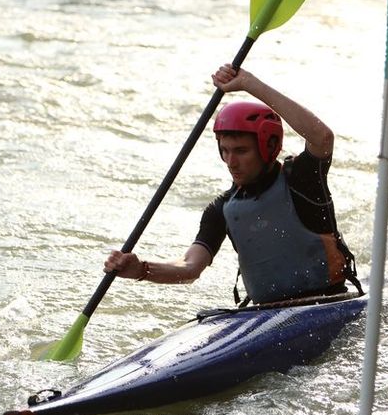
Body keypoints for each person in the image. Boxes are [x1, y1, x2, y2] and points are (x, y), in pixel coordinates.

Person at [104, 63, 360, 305]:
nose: (230, 161)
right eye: (224, 150)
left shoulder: (300, 180)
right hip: (264, 313)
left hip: (328, 301)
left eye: (240, 151)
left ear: (268, 147)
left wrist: (249, 83)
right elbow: (190, 268)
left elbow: (322, 137)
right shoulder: (222, 209)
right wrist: (141, 269)